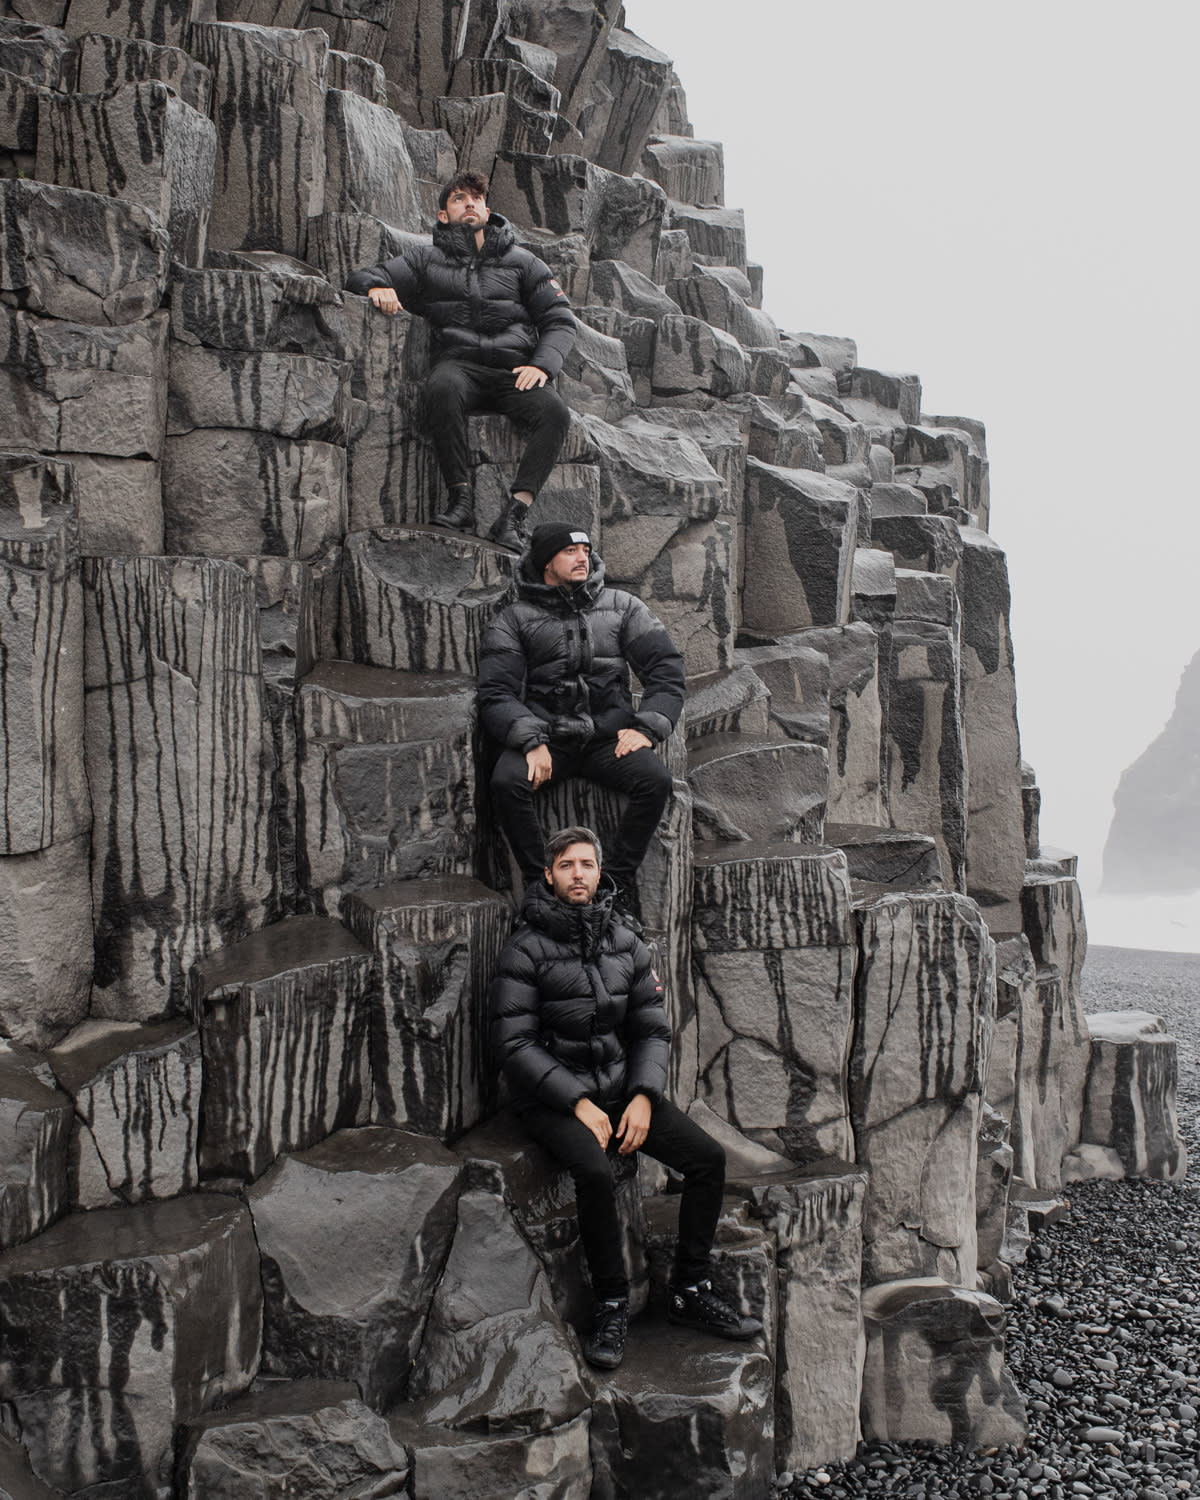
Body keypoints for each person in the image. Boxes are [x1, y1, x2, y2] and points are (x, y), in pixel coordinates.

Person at [488, 825, 763, 1369]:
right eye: (566, 866)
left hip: (618, 1090)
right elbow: (512, 1043)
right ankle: (611, 1304)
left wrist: (642, 1095)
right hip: (550, 1098)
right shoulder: (524, 948)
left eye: (586, 865)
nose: (578, 875)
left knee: (706, 1160)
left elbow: (652, 1030)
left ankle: (690, 1290)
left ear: (599, 871)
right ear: (549, 875)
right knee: (592, 1169)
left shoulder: (624, 939)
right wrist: (576, 1101)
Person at [345, 170, 577, 551]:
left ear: (487, 208)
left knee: (555, 413)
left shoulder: (524, 262)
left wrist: (543, 365)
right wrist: (378, 287)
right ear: (443, 215)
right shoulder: (426, 259)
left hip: (513, 371)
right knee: (441, 386)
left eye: (475, 198)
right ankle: (461, 500)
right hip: (459, 368)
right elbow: (363, 276)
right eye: (458, 198)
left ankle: (514, 517)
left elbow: (560, 320)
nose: (469, 203)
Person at [477, 523, 685, 900]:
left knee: (655, 781)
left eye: (586, 551)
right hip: (549, 738)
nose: (582, 558)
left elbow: (666, 669)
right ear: (546, 562)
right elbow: (495, 691)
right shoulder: (514, 618)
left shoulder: (623, 607)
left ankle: (614, 886)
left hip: (607, 739)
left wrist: (649, 727)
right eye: (571, 552)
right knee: (506, 784)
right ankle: (541, 889)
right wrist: (529, 740)